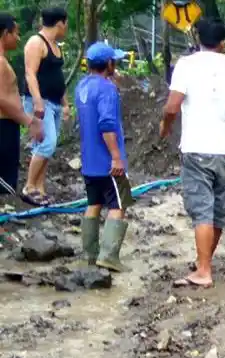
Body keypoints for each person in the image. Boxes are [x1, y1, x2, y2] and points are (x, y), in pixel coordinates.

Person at [160, 17, 225, 288]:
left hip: (196, 150)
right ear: (223, 44)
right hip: (222, 151)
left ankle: (204, 270)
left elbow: (172, 107)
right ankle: (203, 263)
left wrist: (164, 127)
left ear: (198, 39)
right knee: (218, 209)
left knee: (202, 211)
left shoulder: (185, 65)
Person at [75, 42, 133, 272]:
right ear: (109, 64)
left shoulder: (82, 87)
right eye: (114, 61)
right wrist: (117, 157)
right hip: (107, 162)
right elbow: (107, 125)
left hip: (89, 161)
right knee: (118, 205)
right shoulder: (107, 89)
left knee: (94, 203)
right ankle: (109, 256)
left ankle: (90, 254)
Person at [21, 7, 69, 207]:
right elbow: (30, 74)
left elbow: (58, 76)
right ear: (60, 23)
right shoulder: (36, 42)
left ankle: (40, 188)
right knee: (46, 143)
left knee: (49, 146)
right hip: (41, 102)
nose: (66, 28)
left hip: (55, 102)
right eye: (66, 24)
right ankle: (29, 186)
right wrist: (38, 101)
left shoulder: (56, 45)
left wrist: (65, 103)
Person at [0, 13, 44, 200]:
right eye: (15, 33)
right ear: (4, 33)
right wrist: (29, 121)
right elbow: (1, 99)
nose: (18, 38)